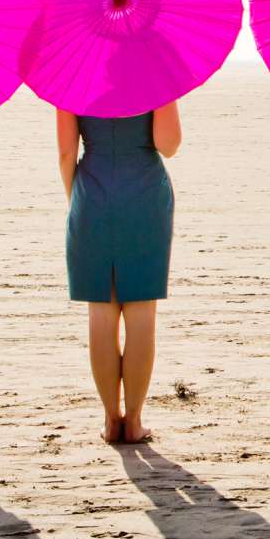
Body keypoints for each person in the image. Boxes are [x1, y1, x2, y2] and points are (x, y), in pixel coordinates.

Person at [59, 100, 181, 445]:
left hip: (92, 193)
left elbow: (67, 153)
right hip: (144, 193)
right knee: (142, 313)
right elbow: (168, 145)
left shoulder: (72, 76)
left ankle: (112, 419)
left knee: (101, 313)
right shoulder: (156, 74)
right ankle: (135, 419)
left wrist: (77, 199)